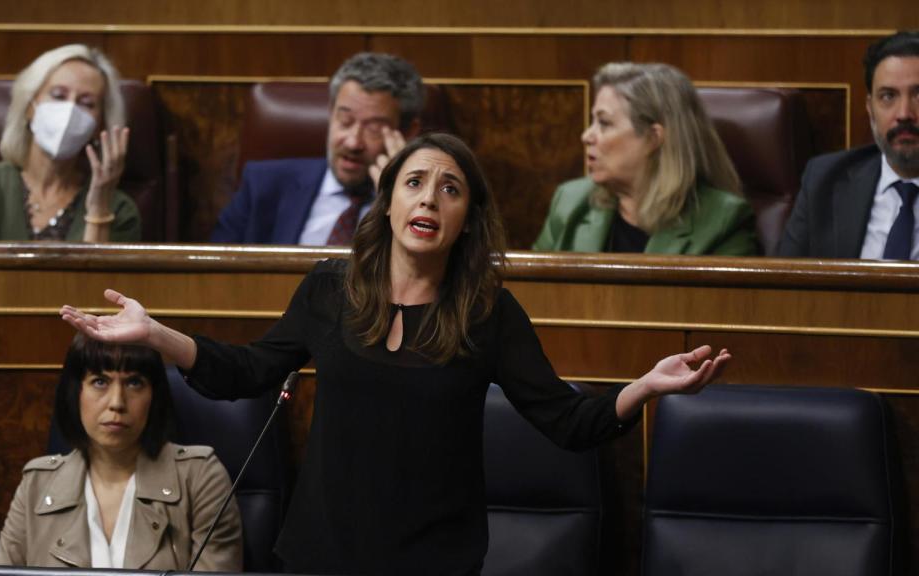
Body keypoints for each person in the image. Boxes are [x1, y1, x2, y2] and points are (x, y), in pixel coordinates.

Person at [62, 133, 730, 575]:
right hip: (320, 555)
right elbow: (247, 372)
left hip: (433, 562)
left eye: (450, 188)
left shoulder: (486, 312)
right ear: (387, 205)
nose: (430, 198)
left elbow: (568, 421)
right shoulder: (331, 289)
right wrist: (155, 335)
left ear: (467, 217)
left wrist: (645, 386)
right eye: (415, 182)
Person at [0, 334, 242, 570]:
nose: (117, 402)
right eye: (100, 381)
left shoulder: (199, 477)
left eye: (134, 383)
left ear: (154, 395)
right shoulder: (38, 484)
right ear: (76, 393)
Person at [533, 62, 758, 255]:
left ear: (653, 137)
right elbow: (531, 293)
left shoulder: (725, 222)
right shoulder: (570, 202)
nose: (586, 136)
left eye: (604, 123)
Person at [210, 51, 423, 245]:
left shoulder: (422, 205)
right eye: (345, 120)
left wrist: (395, 200)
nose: (353, 142)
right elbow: (215, 274)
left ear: (408, 132)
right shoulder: (263, 185)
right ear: (330, 113)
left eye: (374, 128)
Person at [0, 44, 140, 242]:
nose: (69, 110)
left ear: (99, 126)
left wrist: (99, 211)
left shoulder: (118, 209)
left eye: (87, 103)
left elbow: (99, 274)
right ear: (30, 107)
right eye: (58, 96)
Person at [779, 30, 919, 260]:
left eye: (918, 95)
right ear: (870, 108)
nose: (904, 114)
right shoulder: (824, 181)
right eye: (888, 96)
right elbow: (783, 285)